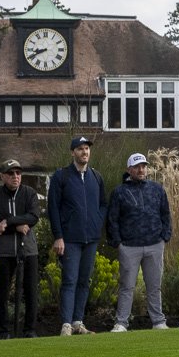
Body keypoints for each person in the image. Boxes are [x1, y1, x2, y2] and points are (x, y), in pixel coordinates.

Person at [106, 153, 171, 332]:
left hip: (155, 244)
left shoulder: (157, 189)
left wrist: (165, 236)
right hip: (129, 246)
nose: (141, 169)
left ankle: (158, 321)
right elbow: (112, 219)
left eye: (143, 166)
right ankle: (121, 323)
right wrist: (118, 242)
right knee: (127, 286)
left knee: (154, 286)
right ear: (129, 169)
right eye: (137, 166)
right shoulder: (119, 192)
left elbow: (165, 214)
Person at [50, 135, 107, 335]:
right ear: (73, 152)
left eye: (87, 149)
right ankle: (66, 323)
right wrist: (58, 236)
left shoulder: (96, 177)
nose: (85, 152)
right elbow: (53, 208)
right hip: (70, 238)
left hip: (90, 238)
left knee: (85, 281)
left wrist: (97, 222)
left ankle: (77, 321)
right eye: (81, 149)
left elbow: (102, 204)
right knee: (70, 280)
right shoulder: (61, 176)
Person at [0, 159, 42, 339]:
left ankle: (29, 329)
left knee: (30, 290)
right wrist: (17, 226)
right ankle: (4, 330)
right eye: (11, 174)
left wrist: (9, 221)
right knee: (2, 291)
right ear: (2, 176)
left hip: (28, 249)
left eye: (18, 173)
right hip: (4, 251)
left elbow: (33, 216)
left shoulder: (29, 193)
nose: (15, 177)